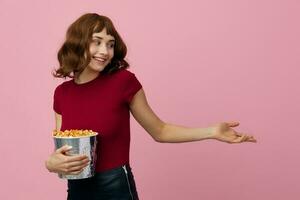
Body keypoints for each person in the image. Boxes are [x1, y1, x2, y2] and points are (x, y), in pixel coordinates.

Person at [45, 13, 257, 200]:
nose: (105, 51)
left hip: (115, 187)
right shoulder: (62, 94)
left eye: (110, 44)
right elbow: (63, 149)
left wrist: (212, 131)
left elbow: (160, 130)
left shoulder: (123, 82)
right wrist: (51, 164)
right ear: (78, 42)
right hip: (76, 190)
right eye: (97, 42)